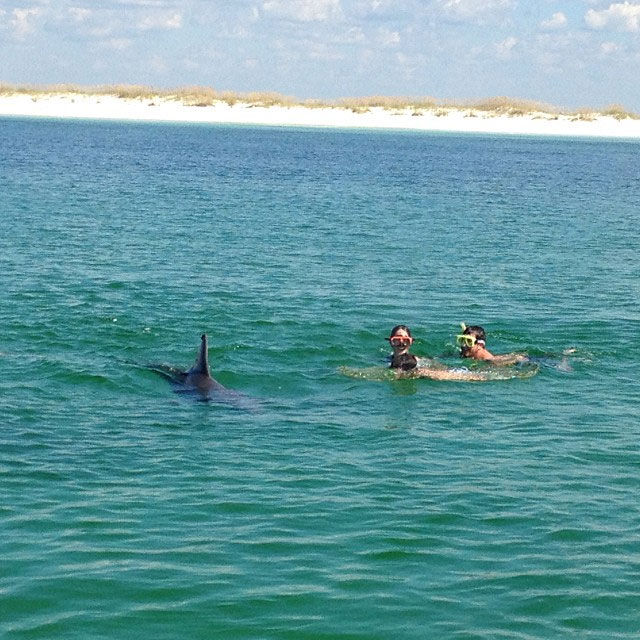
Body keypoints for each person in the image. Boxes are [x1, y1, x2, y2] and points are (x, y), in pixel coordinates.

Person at [386, 325, 500, 381]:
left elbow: (448, 374)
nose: (401, 343)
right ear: (390, 342)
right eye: (396, 340)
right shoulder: (388, 360)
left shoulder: (420, 366)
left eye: (405, 340)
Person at [457, 323, 526, 365]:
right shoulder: (465, 354)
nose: (464, 345)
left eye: (469, 341)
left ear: (480, 345)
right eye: (462, 340)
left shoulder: (492, 362)